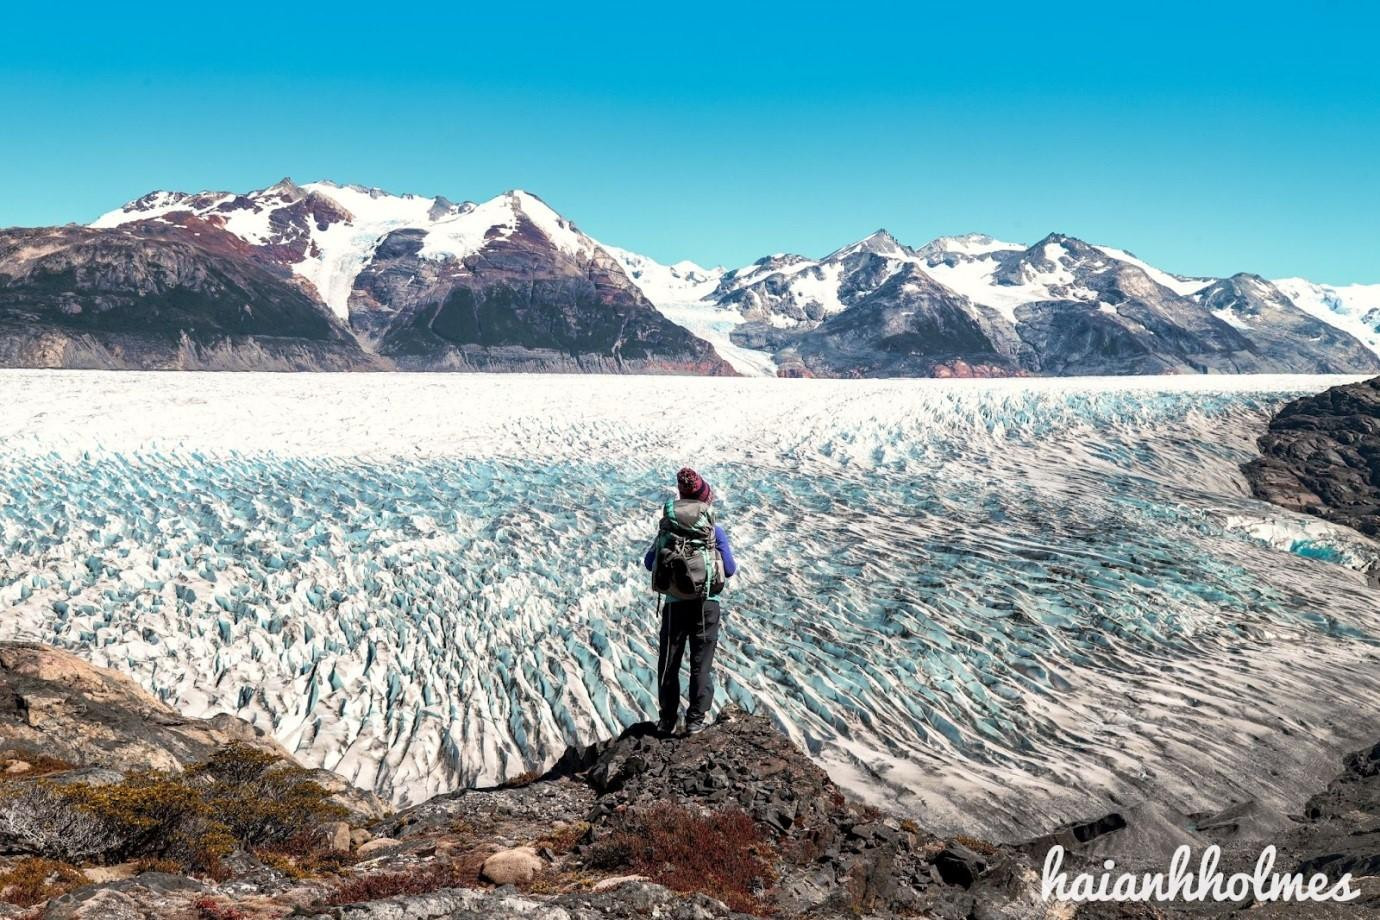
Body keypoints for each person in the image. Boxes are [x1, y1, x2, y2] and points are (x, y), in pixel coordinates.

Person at [643, 467, 737, 736]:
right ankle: (695, 720)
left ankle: (666, 720)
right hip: (706, 604)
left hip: (674, 606)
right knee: (701, 662)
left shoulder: (668, 530)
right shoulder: (714, 532)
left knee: (669, 663)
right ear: (705, 499)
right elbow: (729, 569)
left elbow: (650, 563)